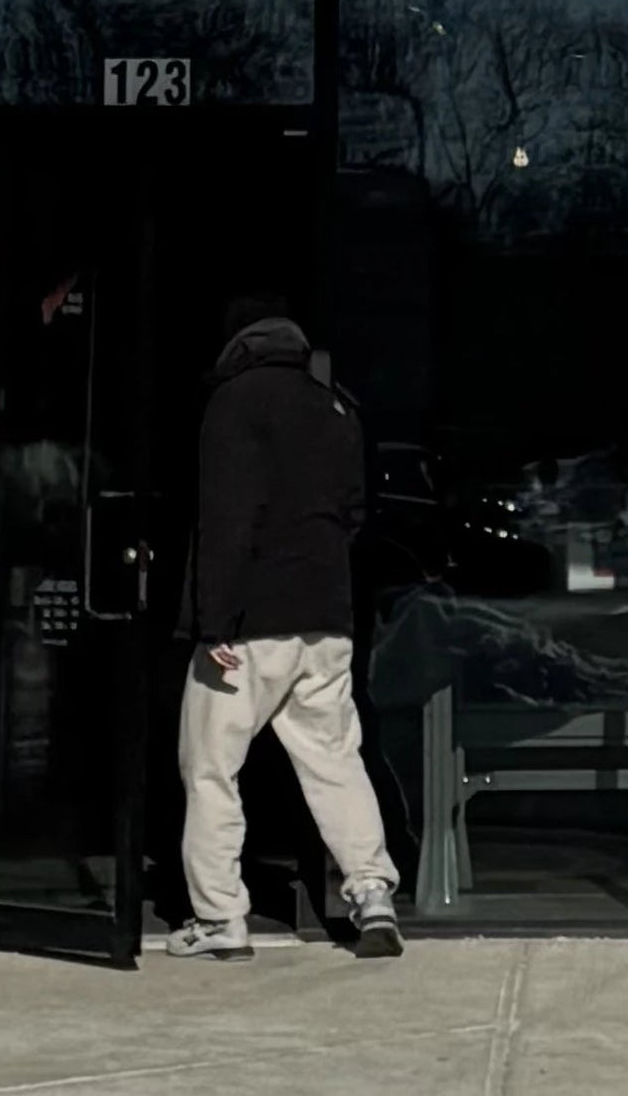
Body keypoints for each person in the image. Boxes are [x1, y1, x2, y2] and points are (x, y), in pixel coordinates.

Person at [167, 297, 404, 961]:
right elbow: (355, 516)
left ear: (235, 344)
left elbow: (226, 519)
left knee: (212, 767)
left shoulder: (235, 403)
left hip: (248, 624)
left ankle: (220, 919)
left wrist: (211, 621)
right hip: (325, 618)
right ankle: (371, 891)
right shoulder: (335, 409)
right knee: (333, 758)